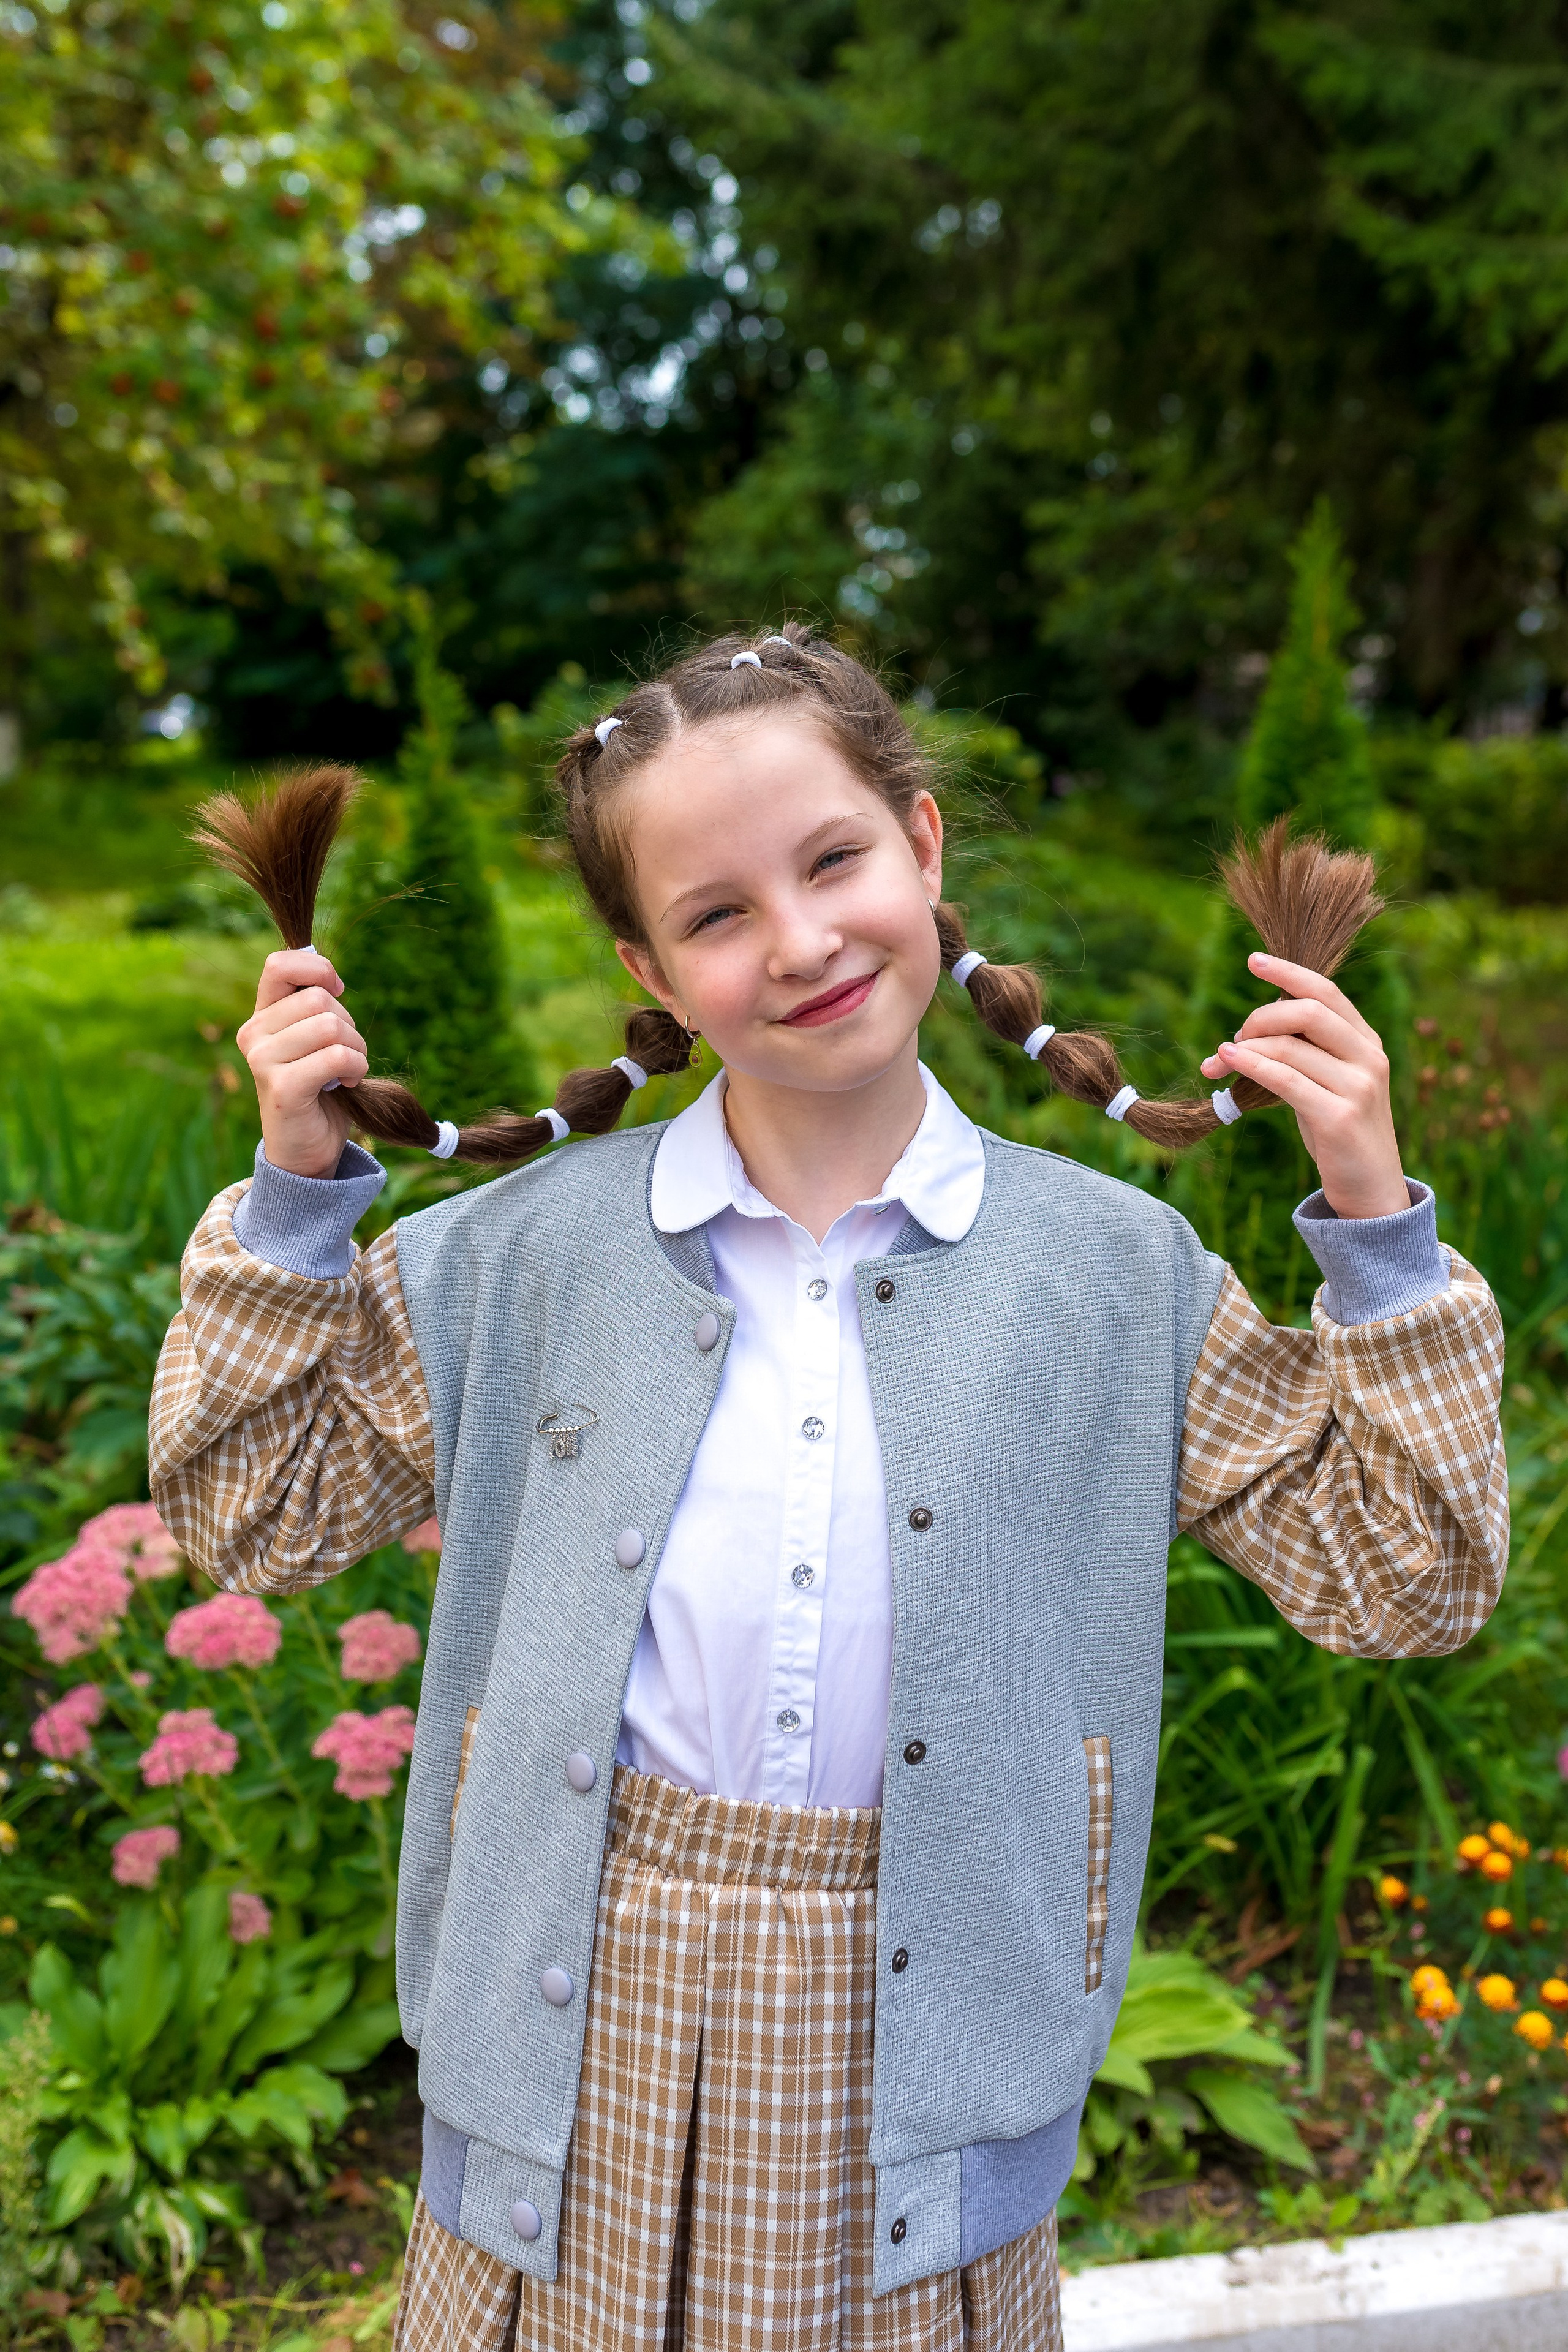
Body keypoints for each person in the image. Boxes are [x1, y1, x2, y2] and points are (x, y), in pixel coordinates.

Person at [151, 625, 1508, 2352]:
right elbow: (243, 1509)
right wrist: (291, 1193)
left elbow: (1409, 1580)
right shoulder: (520, 1258)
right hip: (562, 2069)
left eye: (835, 861)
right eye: (715, 914)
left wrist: (1379, 1230)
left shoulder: (1113, 1277)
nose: (798, 943)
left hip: (927, 2091)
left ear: (925, 853)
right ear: (646, 959)